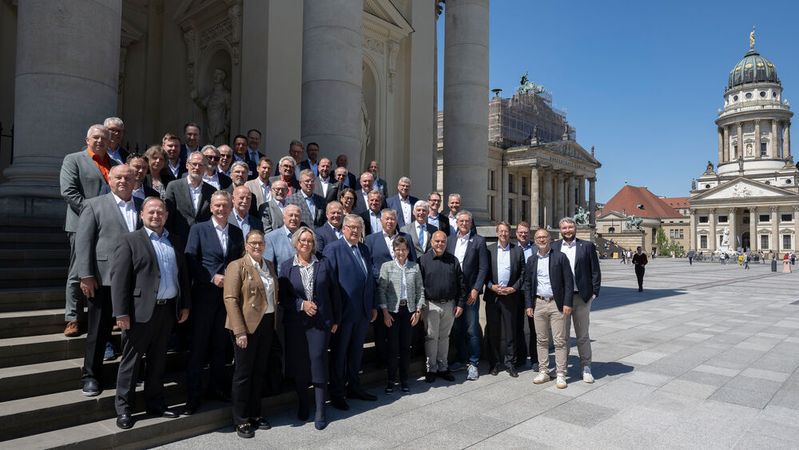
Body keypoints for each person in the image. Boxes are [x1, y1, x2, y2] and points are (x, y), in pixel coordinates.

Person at [112, 197, 190, 430]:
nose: (156, 216)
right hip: (139, 313)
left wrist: (184, 304)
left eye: (160, 212)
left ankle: (155, 403)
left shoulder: (174, 240)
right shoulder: (130, 240)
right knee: (131, 362)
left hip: (167, 310)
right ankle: (124, 408)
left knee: (158, 361)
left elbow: (182, 276)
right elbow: (119, 280)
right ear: (141, 215)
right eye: (151, 212)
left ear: (166, 216)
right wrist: (120, 313)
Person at [74, 165, 140, 396]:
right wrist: (86, 274)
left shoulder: (143, 206)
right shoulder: (94, 205)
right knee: (99, 330)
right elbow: (83, 243)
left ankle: (130, 373)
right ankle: (90, 375)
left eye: (128, 177)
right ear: (109, 180)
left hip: (135, 281)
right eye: (118, 177)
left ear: (135, 181)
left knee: (133, 331)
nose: (123, 181)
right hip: (103, 279)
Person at [184, 191, 245, 414]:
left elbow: (239, 262)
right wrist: (211, 276)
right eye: (217, 206)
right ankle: (193, 395)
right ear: (211, 208)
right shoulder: (198, 229)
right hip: (204, 298)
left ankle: (218, 389)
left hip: (227, 300)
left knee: (221, 346)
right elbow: (191, 259)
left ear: (231, 208)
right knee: (199, 347)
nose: (221, 209)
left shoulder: (237, 232)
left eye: (225, 206)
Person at [280, 226, 340, 430]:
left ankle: (320, 410)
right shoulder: (287, 266)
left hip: (321, 324)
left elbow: (335, 292)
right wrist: (301, 305)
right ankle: (303, 404)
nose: (306, 244)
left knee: (318, 361)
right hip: (297, 325)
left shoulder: (324, 263)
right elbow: (284, 298)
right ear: (296, 243)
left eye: (310, 241)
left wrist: (335, 320)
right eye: (302, 240)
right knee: (300, 365)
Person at [60, 124, 117, 337]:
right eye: (96, 138)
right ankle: (73, 317)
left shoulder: (115, 164)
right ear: (87, 140)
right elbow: (68, 192)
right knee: (78, 270)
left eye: (104, 138)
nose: (100, 141)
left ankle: (107, 315)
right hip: (80, 224)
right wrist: (92, 213)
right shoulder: (73, 159)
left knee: (107, 270)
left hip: (109, 227)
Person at [223, 229, 278, 438]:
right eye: (253, 243)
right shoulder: (236, 266)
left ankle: (255, 413)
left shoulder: (269, 265)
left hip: (266, 324)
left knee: (259, 371)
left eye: (260, 243)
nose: (257, 246)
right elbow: (230, 299)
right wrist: (239, 331)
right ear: (246, 245)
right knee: (243, 374)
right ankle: (241, 419)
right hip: (246, 327)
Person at [323, 214, 378, 410]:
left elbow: (369, 279)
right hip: (343, 315)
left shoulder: (363, 248)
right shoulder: (333, 249)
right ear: (344, 228)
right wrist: (334, 315)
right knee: (339, 355)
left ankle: (354, 387)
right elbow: (329, 285)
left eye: (358, 228)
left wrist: (372, 305)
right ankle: (337, 393)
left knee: (355, 353)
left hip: (362, 313)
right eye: (351, 227)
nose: (355, 231)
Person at [551, 217, 601, 384]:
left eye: (570, 227)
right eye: (564, 228)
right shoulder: (554, 246)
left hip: (581, 297)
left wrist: (593, 294)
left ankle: (586, 367)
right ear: (560, 230)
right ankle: (561, 369)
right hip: (561, 298)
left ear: (575, 228)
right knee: (562, 336)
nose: (567, 230)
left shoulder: (586, 246)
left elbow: (595, 271)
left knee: (582, 335)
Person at [525, 228, 575, 389]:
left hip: (556, 304)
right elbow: (527, 284)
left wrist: (567, 303)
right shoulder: (532, 260)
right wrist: (528, 305)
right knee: (541, 340)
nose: (541, 240)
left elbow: (568, 282)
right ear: (535, 240)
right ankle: (544, 371)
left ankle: (560, 373)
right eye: (538, 237)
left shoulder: (560, 257)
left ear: (550, 239)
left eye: (544, 237)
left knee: (560, 340)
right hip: (538, 303)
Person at [378, 237, 424, 393]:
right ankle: (391, 380)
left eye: (404, 249)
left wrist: (418, 310)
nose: (401, 252)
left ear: (408, 251)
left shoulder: (414, 267)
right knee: (393, 348)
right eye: (398, 249)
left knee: (405, 348)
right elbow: (381, 291)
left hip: (409, 311)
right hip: (392, 312)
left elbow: (420, 291)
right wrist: (384, 313)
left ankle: (404, 380)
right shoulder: (387, 267)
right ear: (394, 251)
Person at [446, 210, 489, 381]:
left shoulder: (478, 241)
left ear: (471, 223)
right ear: (456, 223)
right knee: (456, 328)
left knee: (471, 329)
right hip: (454, 293)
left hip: (471, 293)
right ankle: (460, 359)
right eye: (461, 221)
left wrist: (476, 288)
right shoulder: (450, 240)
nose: (464, 224)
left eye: (467, 221)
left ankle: (473, 363)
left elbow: (483, 268)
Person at [419, 230, 465, 383]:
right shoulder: (423, 260)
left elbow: (461, 284)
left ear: (446, 243)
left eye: (442, 241)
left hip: (449, 305)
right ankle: (431, 369)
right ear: (431, 242)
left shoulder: (453, 260)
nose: (440, 244)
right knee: (431, 338)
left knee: (444, 337)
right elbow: (419, 285)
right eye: (437, 241)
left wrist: (459, 304)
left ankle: (443, 367)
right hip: (430, 305)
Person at [484, 222, 525, 378]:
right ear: (497, 233)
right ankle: (494, 364)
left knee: (511, 332)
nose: (503, 234)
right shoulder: (489, 250)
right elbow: (484, 274)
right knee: (493, 332)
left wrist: (513, 288)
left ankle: (510, 364)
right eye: (501, 231)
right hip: (493, 297)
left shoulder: (517, 251)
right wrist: (491, 286)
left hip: (510, 297)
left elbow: (523, 274)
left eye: (506, 231)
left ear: (510, 233)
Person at [164, 151, 215, 240]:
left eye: (200, 165)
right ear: (187, 165)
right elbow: (168, 215)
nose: (197, 167)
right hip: (179, 239)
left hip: (203, 239)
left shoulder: (211, 191)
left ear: (205, 168)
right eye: (194, 164)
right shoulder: (173, 186)